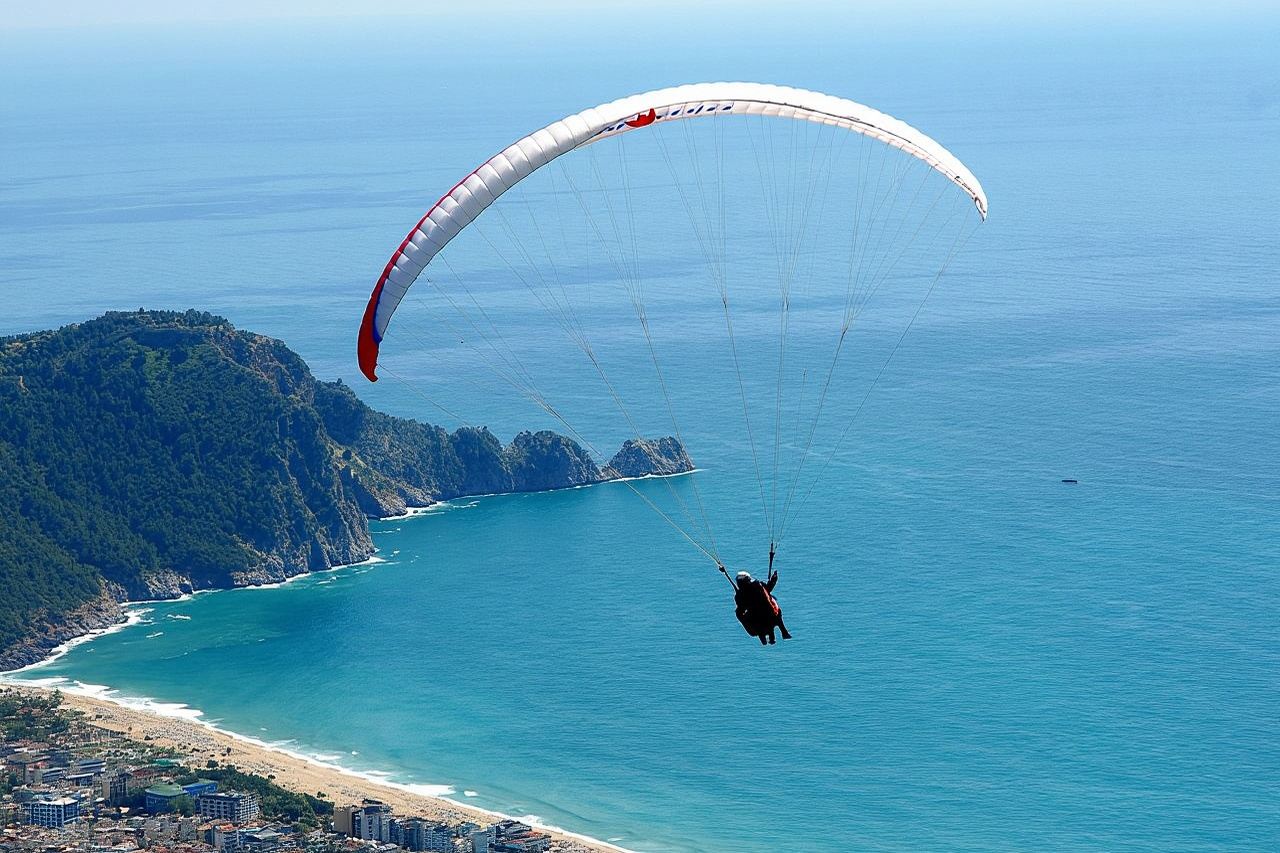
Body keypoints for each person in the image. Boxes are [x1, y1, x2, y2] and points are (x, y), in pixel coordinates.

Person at [729, 568, 792, 645]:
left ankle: (764, 636)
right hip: (772, 615)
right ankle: (784, 632)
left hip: (757, 621)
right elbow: (769, 588)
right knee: (776, 609)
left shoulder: (740, 595)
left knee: (740, 614)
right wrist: (774, 579)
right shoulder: (759, 585)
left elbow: (741, 609)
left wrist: (739, 613)